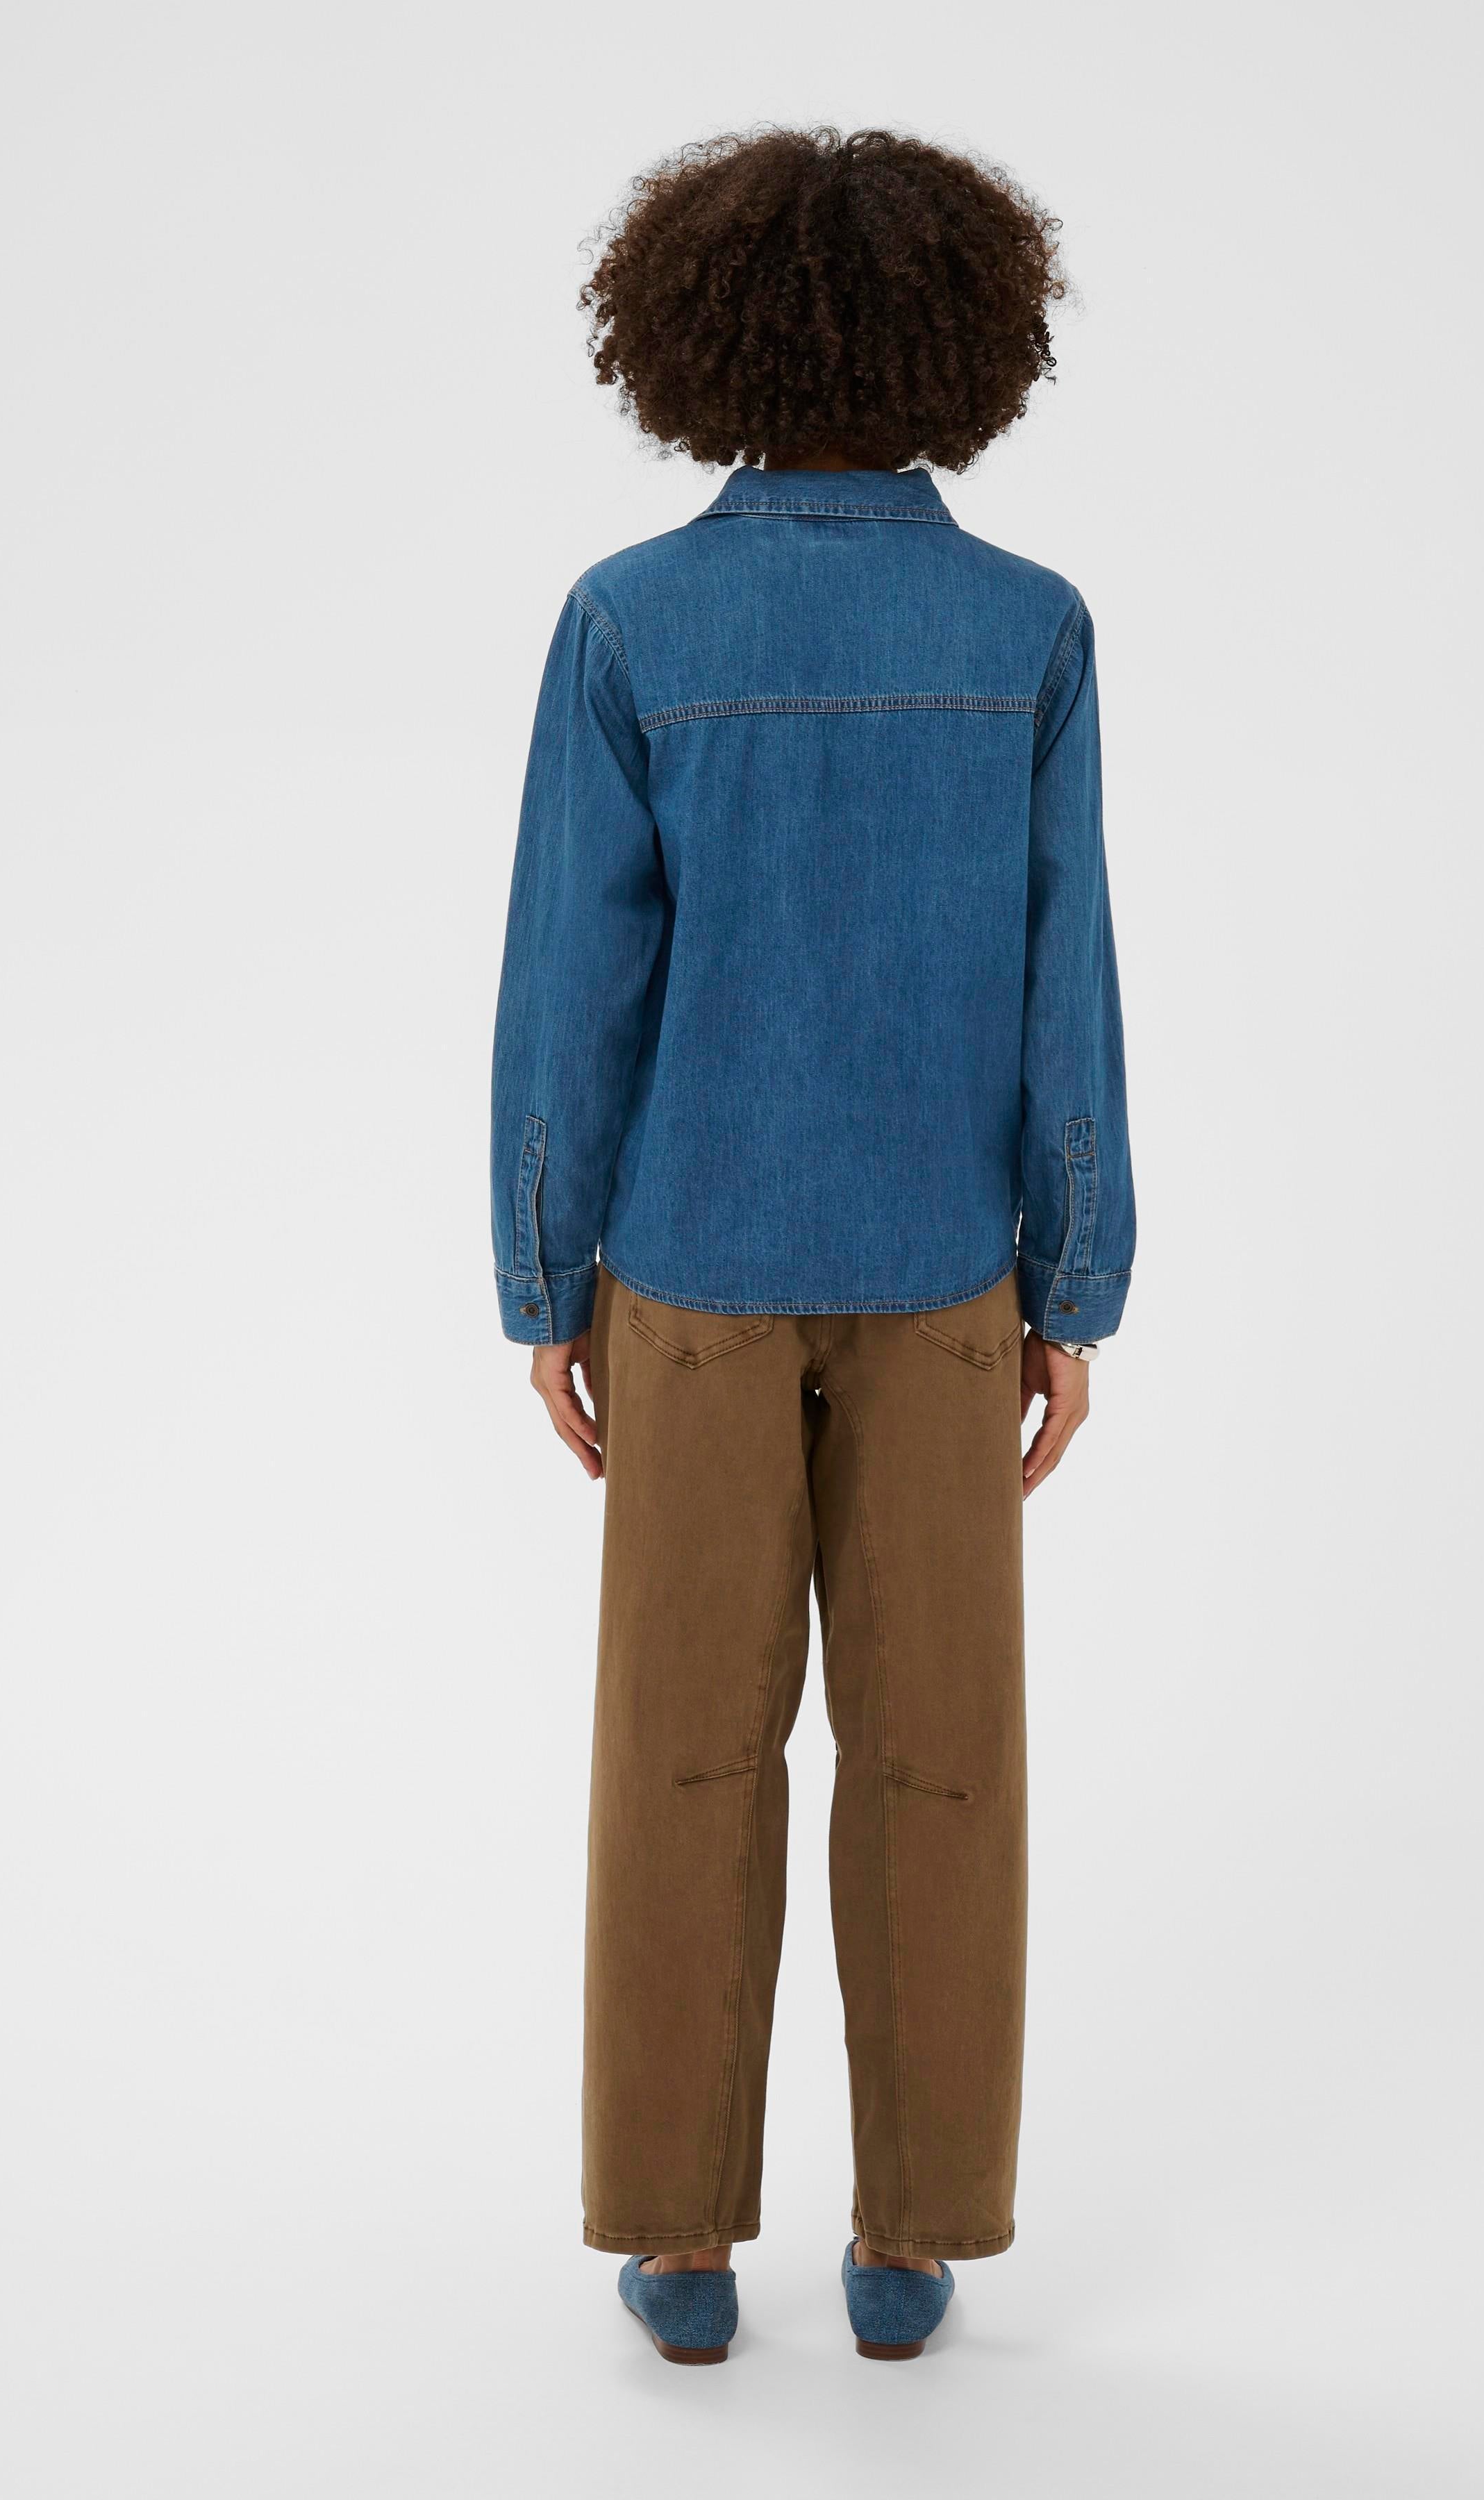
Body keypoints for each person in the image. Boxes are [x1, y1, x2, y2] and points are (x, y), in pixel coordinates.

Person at [490, 126, 1135, 2365]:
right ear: (965, 341)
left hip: (686, 1271)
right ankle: (912, 2234)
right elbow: (1066, 994)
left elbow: (574, 987)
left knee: (682, 1750)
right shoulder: (1027, 630)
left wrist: (546, 1276)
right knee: (943, 1759)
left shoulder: (631, 622)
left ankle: (679, 2241)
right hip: (951, 1278)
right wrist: (1073, 1285)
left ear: (703, 339)